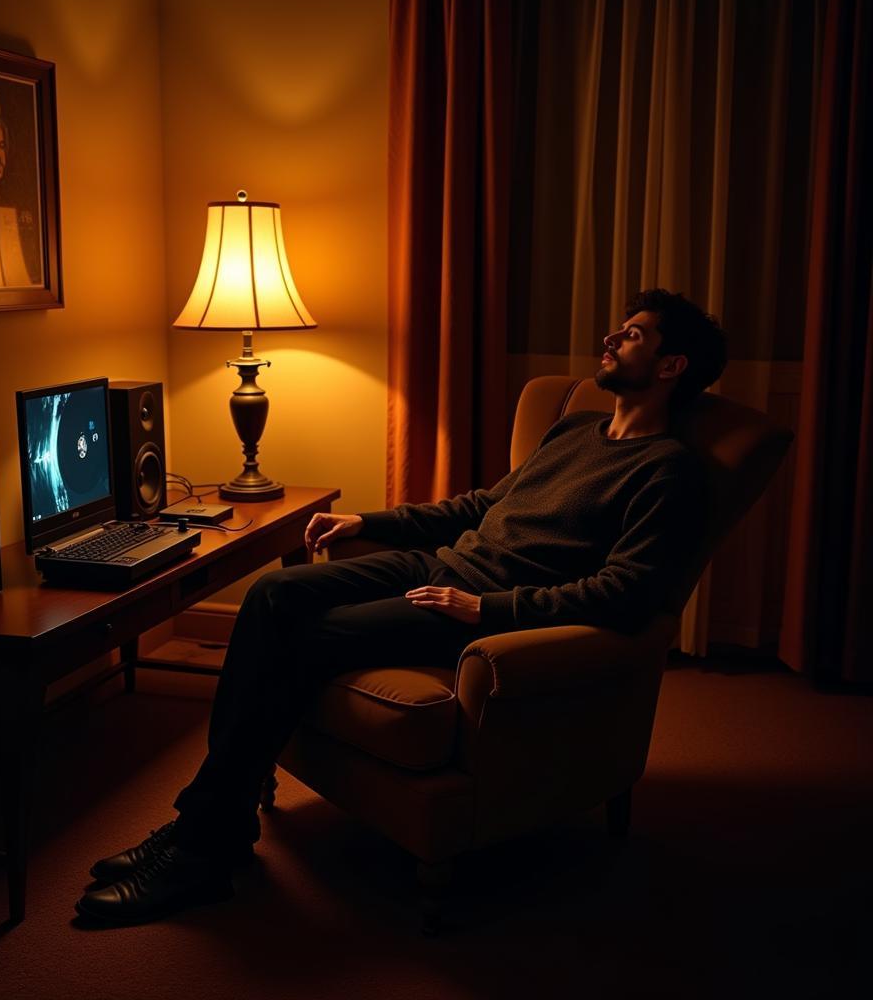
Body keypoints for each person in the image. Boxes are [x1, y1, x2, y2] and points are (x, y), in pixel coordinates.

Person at [76, 288, 728, 925]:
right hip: (439, 564)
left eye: (634, 334)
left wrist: (488, 608)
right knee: (274, 594)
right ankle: (216, 824)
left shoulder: (668, 472)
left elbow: (628, 592)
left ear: (672, 367)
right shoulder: (576, 429)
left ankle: (202, 845)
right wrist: (369, 522)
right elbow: (481, 507)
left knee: (311, 636)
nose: (612, 337)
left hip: (468, 605)